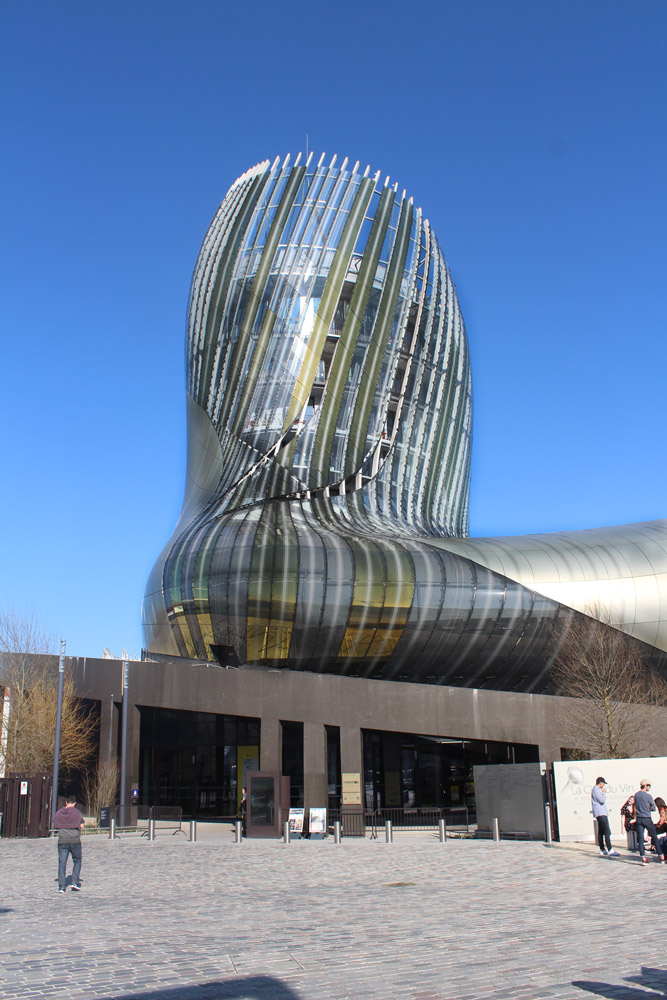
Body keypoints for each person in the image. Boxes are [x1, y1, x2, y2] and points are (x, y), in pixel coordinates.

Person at [52, 794, 84, 892]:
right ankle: (75, 882)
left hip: (62, 841)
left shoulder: (58, 813)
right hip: (75, 841)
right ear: (74, 803)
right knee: (77, 860)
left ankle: (61, 886)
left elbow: (54, 825)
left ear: (66, 802)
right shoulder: (77, 813)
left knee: (62, 863)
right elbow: (82, 826)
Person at [633, 779, 666, 865]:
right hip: (647, 818)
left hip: (639, 819)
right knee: (654, 836)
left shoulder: (636, 795)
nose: (649, 787)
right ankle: (661, 856)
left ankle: (643, 858)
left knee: (640, 839)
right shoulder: (648, 796)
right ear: (646, 786)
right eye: (649, 786)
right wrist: (649, 808)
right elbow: (654, 808)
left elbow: (636, 806)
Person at [591, 776, 619, 856]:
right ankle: (610, 849)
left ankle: (602, 849)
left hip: (600, 813)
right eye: (603, 783)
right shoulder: (596, 790)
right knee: (607, 831)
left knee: (601, 831)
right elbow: (602, 800)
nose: (604, 785)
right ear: (600, 783)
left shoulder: (595, 790)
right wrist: (603, 793)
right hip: (601, 813)